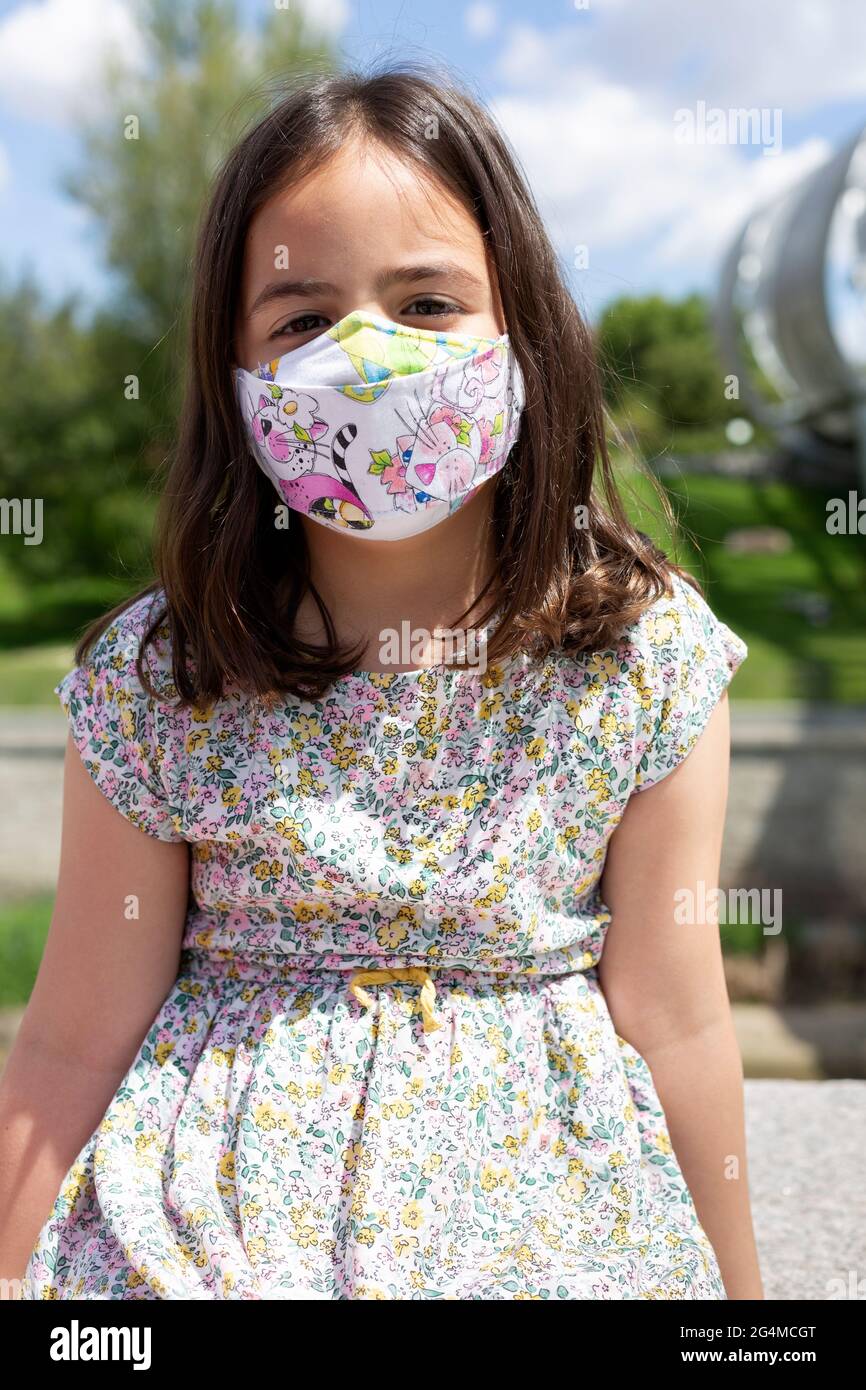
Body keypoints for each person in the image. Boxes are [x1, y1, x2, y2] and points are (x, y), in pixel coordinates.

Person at [1, 64, 762, 1300]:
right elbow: (74, 1038)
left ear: (517, 328)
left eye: (424, 302)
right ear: (235, 375)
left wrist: (744, 1309)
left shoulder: (638, 656)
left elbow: (675, 1016)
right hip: (206, 1229)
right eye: (301, 320)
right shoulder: (164, 680)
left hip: (548, 1222)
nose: (367, 362)